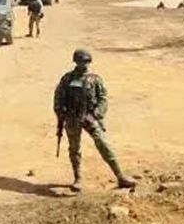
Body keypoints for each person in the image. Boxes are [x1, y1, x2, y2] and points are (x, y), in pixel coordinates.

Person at [53, 50, 136, 192]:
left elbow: (103, 98)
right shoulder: (67, 79)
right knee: (74, 149)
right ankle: (78, 178)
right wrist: (62, 115)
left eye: (86, 62)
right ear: (75, 62)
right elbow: (58, 98)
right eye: (81, 62)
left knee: (103, 144)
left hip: (90, 117)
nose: (84, 65)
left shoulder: (95, 79)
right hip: (72, 118)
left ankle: (120, 176)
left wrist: (96, 114)